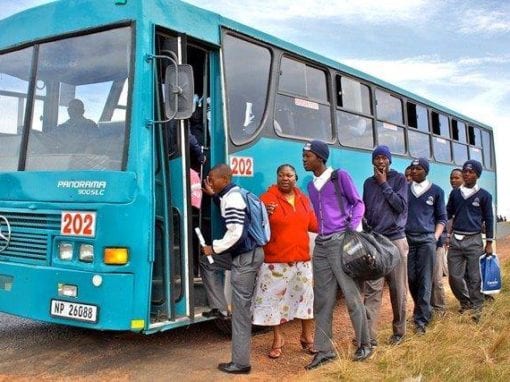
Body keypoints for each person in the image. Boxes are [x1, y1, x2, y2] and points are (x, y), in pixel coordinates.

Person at [302, 140, 372, 370]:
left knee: (352, 296)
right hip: (321, 245)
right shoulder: (312, 186)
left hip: (340, 241)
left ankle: (365, 344)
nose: (304, 160)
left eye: (308, 156)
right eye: (304, 156)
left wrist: (351, 228)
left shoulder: (339, 177)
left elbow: (358, 203)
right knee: (322, 301)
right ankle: (324, 351)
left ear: (320, 158)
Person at [199, 163, 264, 374]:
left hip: (245, 258)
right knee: (206, 263)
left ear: (224, 180)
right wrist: (214, 196)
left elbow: (236, 233)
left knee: (241, 311)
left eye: (212, 179)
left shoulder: (234, 199)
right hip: (243, 255)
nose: (209, 182)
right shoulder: (230, 195)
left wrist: (213, 247)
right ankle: (219, 307)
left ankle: (241, 363)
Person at [252, 164, 318, 359]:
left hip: (301, 261)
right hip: (275, 261)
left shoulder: (304, 200)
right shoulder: (266, 199)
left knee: (305, 300)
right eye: (281, 175)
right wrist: (263, 212)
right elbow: (254, 223)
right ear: (277, 177)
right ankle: (278, 339)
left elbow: (314, 225)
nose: (285, 178)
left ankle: (307, 337)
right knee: (273, 302)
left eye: (289, 175)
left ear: (295, 178)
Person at [362, 145, 409, 346]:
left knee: (398, 288)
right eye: (377, 158)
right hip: (375, 241)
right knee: (372, 289)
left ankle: (399, 333)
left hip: (395, 240)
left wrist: (384, 184)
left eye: (384, 158)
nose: (381, 161)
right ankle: (369, 337)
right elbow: (365, 209)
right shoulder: (367, 183)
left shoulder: (399, 180)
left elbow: (400, 206)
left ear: (390, 160)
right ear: (373, 161)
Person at [446, 160, 494, 322]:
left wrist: (489, 242)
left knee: (475, 278)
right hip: (456, 241)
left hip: (474, 240)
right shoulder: (455, 194)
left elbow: (489, 219)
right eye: (465, 171)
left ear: (477, 175)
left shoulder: (484, 196)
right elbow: (447, 214)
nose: (467, 174)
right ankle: (465, 302)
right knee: (454, 276)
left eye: (471, 172)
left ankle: (477, 311)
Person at [406, 158, 447, 334]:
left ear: (426, 171)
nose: (414, 171)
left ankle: (421, 321)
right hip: (407, 239)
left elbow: (441, 218)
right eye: (413, 168)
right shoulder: (405, 190)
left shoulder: (436, 191)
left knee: (425, 279)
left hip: (426, 240)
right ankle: (423, 310)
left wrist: (435, 237)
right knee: (411, 280)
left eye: (419, 168)